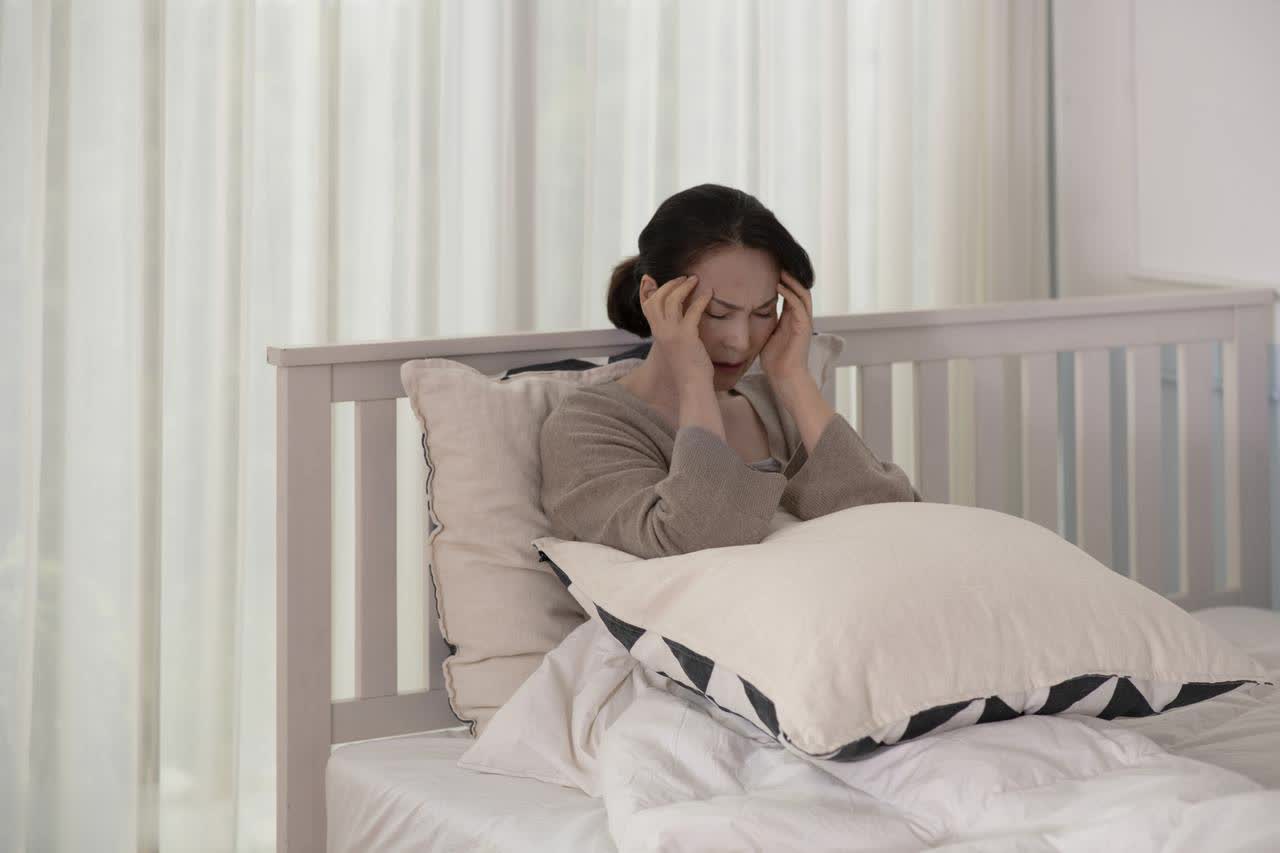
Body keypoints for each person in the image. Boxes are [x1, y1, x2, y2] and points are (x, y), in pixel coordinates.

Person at [539, 183, 918, 559]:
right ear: (652, 296)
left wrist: (794, 380)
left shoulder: (778, 403)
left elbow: (890, 518)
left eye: (763, 313)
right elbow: (700, 541)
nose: (740, 340)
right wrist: (694, 381)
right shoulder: (588, 425)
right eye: (717, 313)